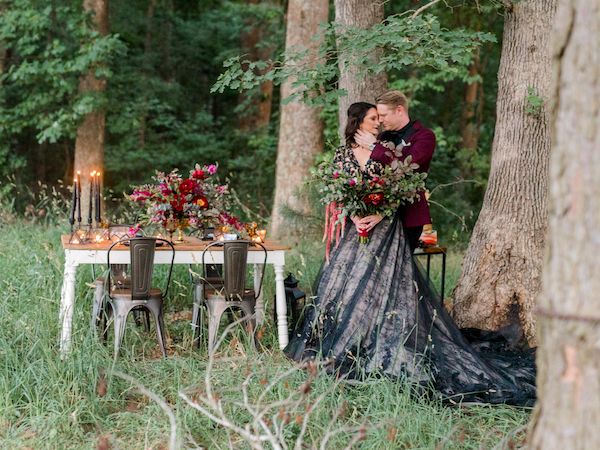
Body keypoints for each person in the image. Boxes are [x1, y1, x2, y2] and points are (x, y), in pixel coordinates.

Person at [284, 100, 536, 406]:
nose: (378, 122)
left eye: (381, 117)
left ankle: (382, 336)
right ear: (358, 121)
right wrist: (354, 216)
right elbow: (339, 189)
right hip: (354, 228)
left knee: (385, 281)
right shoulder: (344, 153)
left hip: (386, 226)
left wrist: (378, 214)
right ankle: (349, 335)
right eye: (373, 118)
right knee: (349, 282)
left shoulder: (389, 148)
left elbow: (400, 186)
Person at [355, 90, 435, 252]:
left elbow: (406, 167)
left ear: (399, 110)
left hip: (409, 214)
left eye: (383, 115)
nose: (380, 120)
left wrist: (373, 147)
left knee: (400, 265)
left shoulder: (425, 136)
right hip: (379, 215)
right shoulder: (382, 136)